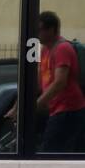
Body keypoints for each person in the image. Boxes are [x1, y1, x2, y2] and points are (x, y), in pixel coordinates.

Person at [35, 11, 85, 152]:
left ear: (51, 30)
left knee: (49, 153)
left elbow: (60, 82)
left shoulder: (62, 48)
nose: (36, 34)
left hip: (69, 110)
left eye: (39, 30)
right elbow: (39, 81)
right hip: (57, 109)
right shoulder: (45, 49)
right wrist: (18, 106)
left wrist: (38, 103)